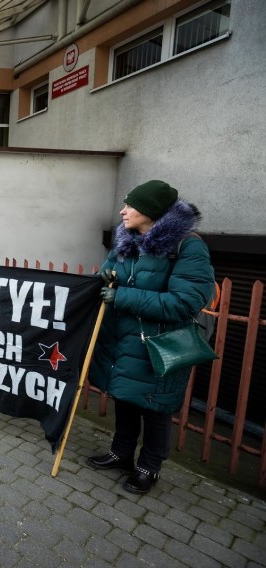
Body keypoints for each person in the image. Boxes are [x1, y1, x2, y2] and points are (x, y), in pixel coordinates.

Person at [87, 180, 215, 494]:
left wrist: (121, 297)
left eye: (130, 205)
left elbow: (185, 303)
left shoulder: (187, 246)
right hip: (123, 339)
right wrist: (101, 280)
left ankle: (149, 467)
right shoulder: (126, 240)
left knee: (156, 409)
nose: (122, 210)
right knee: (126, 398)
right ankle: (121, 453)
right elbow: (106, 274)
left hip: (158, 343)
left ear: (150, 211)